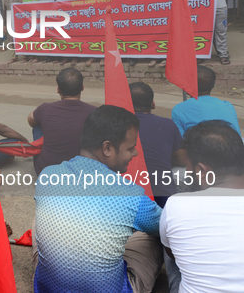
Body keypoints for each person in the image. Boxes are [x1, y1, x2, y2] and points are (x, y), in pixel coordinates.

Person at [34, 105, 163, 293]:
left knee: (39, 220)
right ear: (107, 148)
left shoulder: (48, 175)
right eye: (131, 147)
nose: (135, 153)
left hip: (49, 289)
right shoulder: (130, 195)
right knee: (156, 236)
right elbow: (166, 226)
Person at [160, 120, 244, 293]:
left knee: (169, 240)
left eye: (188, 167)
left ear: (202, 171)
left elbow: (172, 254)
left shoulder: (176, 205)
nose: (187, 173)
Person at [27, 68, 96, 175]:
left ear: (58, 89)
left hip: (46, 172)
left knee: (37, 125)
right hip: (82, 172)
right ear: (82, 88)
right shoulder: (94, 112)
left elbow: (30, 119)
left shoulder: (45, 108)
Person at [129, 82, 182, 207]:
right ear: (153, 103)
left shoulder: (117, 126)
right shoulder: (168, 124)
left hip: (127, 200)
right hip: (164, 199)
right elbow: (182, 160)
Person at [172, 65, 240, 136]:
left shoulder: (179, 109)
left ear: (187, 86)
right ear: (213, 85)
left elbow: (179, 142)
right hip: (233, 146)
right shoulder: (228, 106)